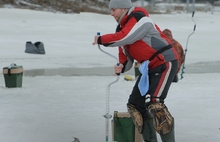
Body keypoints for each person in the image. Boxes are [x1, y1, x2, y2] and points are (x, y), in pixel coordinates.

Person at [92, 0, 178, 142]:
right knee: (135, 106)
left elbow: (125, 37)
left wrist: (102, 39)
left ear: (124, 8)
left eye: (114, 9)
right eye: (111, 10)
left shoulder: (140, 18)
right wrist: (121, 67)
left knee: (155, 104)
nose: (111, 13)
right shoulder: (120, 29)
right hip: (148, 68)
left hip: (164, 61)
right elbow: (125, 58)